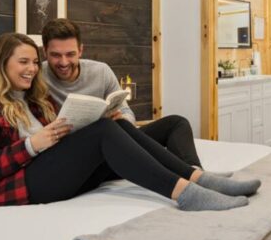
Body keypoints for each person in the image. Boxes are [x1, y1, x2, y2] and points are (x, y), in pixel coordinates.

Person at [0, 33, 260, 210]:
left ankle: (198, 179)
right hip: (21, 185)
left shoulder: (37, 99)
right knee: (103, 131)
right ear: (1, 63)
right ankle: (187, 194)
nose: (33, 69)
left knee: (117, 125)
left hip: (55, 172)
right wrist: (32, 145)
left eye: (35, 62)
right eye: (24, 62)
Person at [39, 19, 205, 169]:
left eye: (70, 54)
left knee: (177, 123)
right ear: (45, 51)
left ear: (80, 50)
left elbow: (126, 111)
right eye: (55, 55)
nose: (63, 62)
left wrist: (123, 120)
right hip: (79, 152)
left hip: (113, 141)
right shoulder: (37, 77)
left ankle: (195, 172)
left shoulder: (101, 71)